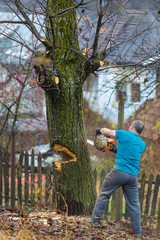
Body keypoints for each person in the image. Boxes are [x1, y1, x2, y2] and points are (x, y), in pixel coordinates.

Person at [90, 120, 145, 236]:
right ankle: (137, 231)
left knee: (104, 194)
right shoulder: (142, 144)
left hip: (119, 172)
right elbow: (129, 154)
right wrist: (115, 150)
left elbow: (108, 132)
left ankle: (95, 220)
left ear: (132, 126)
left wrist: (99, 130)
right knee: (134, 203)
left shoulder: (124, 134)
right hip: (133, 176)